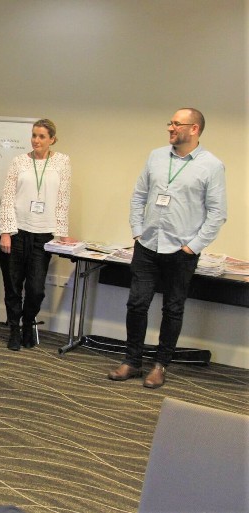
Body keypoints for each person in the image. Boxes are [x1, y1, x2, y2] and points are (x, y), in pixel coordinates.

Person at [108, 108, 227, 389]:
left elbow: (217, 213)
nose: (170, 128)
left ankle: (160, 365)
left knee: (173, 309)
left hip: (180, 251)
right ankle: (132, 361)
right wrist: (137, 230)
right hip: (148, 245)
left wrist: (193, 247)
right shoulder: (156, 156)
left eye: (177, 124)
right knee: (137, 304)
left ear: (194, 129)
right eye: (170, 123)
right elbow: (139, 195)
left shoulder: (212, 165)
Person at [0, 119, 72, 351]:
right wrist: (6, 232)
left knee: (36, 289)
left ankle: (28, 322)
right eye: (34, 135)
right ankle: (14, 329)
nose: (36, 140)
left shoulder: (62, 162)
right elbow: (8, 197)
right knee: (13, 286)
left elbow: (63, 198)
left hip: (44, 235)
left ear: (52, 139)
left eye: (41, 136)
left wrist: (62, 234)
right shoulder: (19, 161)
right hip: (17, 231)